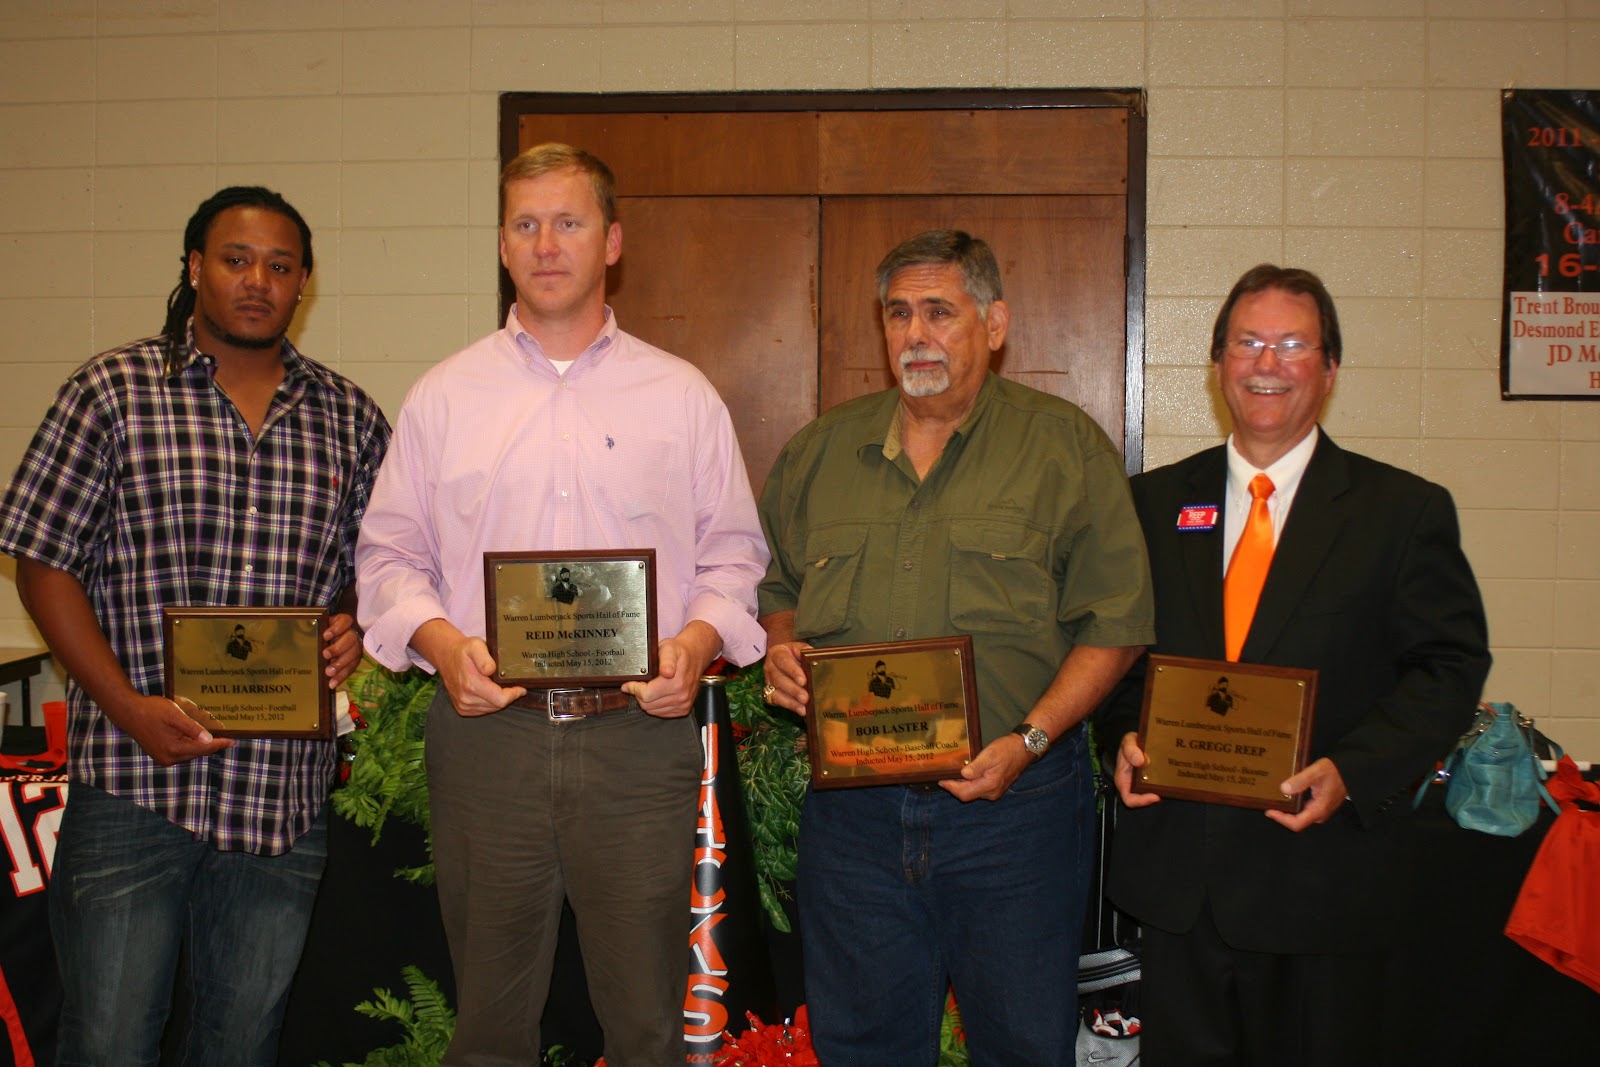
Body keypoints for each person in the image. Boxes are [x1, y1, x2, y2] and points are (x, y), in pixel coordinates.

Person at [354, 142, 768, 1066]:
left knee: (648, 1024)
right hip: (488, 737)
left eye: (569, 221)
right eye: (525, 223)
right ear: (502, 244)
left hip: (638, 738)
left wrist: (698, 644)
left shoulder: (683, 396)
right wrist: (438, 640)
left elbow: (736, 555)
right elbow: (387, 556)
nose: (547, 243)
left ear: (613, 240)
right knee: (491, 1028)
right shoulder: (443, 397)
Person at [0, 185, 391, 1065]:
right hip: (134, 784)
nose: (258, 280)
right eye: (236, 259)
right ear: (194, 268)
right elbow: (41, 561)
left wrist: (355, 622)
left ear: (304, 285)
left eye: (280, 266)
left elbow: (384, 570)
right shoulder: (111, 393)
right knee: (107, 1043)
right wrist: (129, 705)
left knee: (242, 1043)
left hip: (280, 799)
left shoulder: (351, 419)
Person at [759, 229, 1154, 1065]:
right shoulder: (819, 454)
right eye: (898, 313)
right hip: (854, 818)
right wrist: (783, 650)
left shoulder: (1065, 450)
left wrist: (1032, 739)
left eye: (940, 311)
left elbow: (1116, 622)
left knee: (1020, 1042)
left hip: (1014, 812)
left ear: (995, 322)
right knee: (862, 1044)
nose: (915, 334)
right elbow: (779, 590)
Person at [1099, 264, 1491, 1067]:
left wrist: (1353, 768)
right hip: (1183, 888)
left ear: (1330, 368)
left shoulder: (1402, 512)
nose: (1266, 363)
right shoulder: (1149, 503)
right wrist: (1122, 738)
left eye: (1291, 344)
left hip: (1324, 887)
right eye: (1246, 342)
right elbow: (1115, 654)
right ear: (1218, 364)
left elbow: (1449, 666)